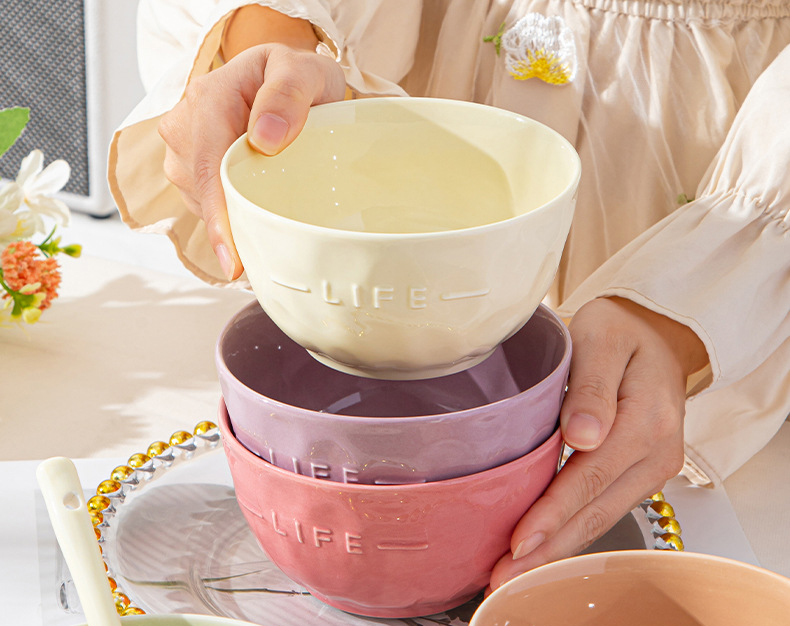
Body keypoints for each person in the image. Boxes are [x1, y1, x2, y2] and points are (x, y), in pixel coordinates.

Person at [109, 1, 790, 590]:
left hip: (726, 163)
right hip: (405, 105)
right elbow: (280, 38)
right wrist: (278, 39)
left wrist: (688, 306)